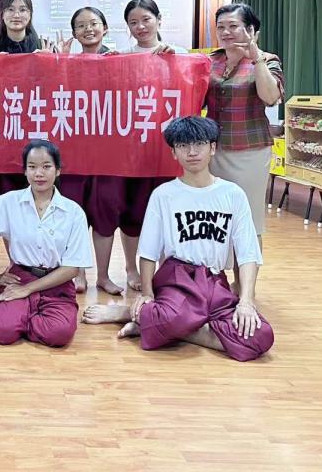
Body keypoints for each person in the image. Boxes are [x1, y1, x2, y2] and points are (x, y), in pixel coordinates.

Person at [82, 116, 274, 362]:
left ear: (212, 148)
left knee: (260, 336)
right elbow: (148, 252)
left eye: (199, 144)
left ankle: (145, 320)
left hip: (214, 281)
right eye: (183, 145)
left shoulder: (232, 194)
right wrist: (147, 294)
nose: (192, 152)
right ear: (174, 152)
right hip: (177, 278)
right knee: (175, 317)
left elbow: (248, 254)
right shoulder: (164, 195)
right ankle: (149, 315)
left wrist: (246, 300)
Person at [0, 140, 92, 347]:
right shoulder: (7, 202)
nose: (39, 173)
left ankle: (19, 318)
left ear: (58, 170)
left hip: (57, 282)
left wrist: (28, 290)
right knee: (3, 331)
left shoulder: (73, 212)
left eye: (46, 166)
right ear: (25, 171)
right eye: (32, 167)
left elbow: (72, 269)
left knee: (59, 334)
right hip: (20, 277)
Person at [103, 0, 189, 291]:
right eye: (133, 22)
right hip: (130, 152)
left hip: (166, 150)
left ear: (159, 19)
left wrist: (175, 62)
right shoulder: (121, 57)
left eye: (146, 20)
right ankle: (131, 268)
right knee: (131, 212)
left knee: (167, 211)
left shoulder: (178, 54)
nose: (140, 27)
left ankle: (165, 269)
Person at [206, 3, 284, 248]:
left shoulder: (267, 61)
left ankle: (246, 273)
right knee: (215, 218)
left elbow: (270, 97)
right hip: (213, 151)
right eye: (220, 27)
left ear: (251, 30)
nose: (226, 32)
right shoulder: (210, 61)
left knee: (247, 218)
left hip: (250, 151)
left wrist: (256, 57)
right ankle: (218, 271)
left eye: (233, 26)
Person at [56, 6, 118, 294]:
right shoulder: (67, 62)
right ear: (74, 33)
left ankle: (103, 275)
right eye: (81, 25)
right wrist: (60, 63)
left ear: (105, 27)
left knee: (105, 212)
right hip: (74, 153)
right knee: (74, 211)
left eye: (93, 23)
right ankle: (77, 273)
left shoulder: (119, 60)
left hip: (109, 154)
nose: (88, 29)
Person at [0, 0, 51, 207]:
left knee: (34, 198)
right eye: (10, 9)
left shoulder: (44, 48)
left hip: (34, 131)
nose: (16, 15)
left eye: (23, 9)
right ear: (2, 14)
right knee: (3, 201)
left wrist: (53, 63)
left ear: (30, 15)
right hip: (0, 135)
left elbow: (55, 91)